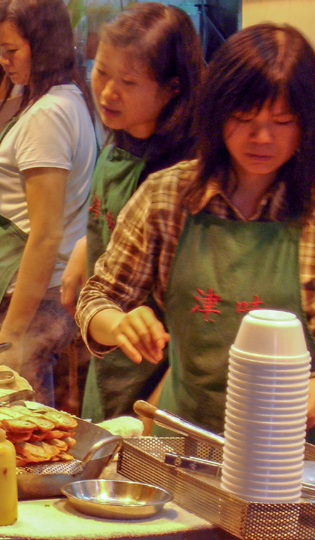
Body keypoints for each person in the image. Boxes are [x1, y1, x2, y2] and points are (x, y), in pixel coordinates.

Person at [76, 24, 315, 436]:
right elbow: (96, 297)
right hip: (182, 445)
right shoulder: (168, 197)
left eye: (282, 121)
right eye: (244, 118)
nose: (262, 137)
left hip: (290, 457)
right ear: (218, 113)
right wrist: (118, 324)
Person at [59, 3, 204, 422]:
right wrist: (90, 243)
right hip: (107, 344)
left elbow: (202, 318)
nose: (107, 92)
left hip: (160, 375)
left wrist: (158, 410)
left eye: (128, 81)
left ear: (172, 88)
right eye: (101, 72)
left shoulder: (186, 174)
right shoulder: (123, 134)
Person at [0, 0, 97, 406]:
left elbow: (46, 233)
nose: (2, 61)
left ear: (45, 44)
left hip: (27, 303)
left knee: (17, 431)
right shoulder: (69, 102)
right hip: (40, 299)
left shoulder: (48, 115)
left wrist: (13, 335)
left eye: (11, 50)